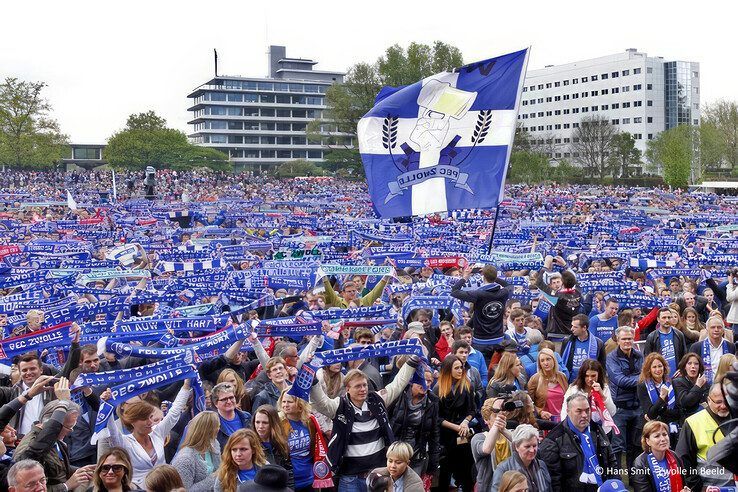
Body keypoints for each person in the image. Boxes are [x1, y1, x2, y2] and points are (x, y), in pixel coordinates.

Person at [309, 355, 420, 491]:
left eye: (365, 385)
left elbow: (397, 385)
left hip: (377, 477)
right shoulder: (339, 406)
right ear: (347, 389)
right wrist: (312, 379)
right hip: (350, 479)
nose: (363, 389)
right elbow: (320, 402)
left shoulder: (377, 400)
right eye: (358, 386)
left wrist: (411, 362)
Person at [106, 379, 192, 488]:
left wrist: (186, 385)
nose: (149, 422)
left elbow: (175, 411)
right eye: (143, 418)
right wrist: (106, 404)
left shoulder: (157, 432)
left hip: (166, 487)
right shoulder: (124, 442)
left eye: (150, 417)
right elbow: (111, 430)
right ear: (132, 421)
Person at [538, 392, 617, 492]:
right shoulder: (554, 440)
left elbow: (611, 461)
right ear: (568, 411)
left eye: (587, 410)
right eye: (579, 411)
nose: (584, 415)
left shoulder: (596, 429)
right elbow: (554, 481)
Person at [14, 397, 96, 492]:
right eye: (68, 427)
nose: (71, 430)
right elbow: (29, 489)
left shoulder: (56, 440)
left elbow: (56, 469)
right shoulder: (29, 447)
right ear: (51, 423)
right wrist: (66, 486)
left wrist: (79, 471)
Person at [675, 383, 733, 490]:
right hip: (709, 487)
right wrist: (699, 488)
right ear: (709, 400)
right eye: (718, 402)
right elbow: (683, 460)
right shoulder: (693, 422)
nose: (723, 406)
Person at [450, 264, 510, 364]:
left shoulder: (478, 294)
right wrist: (493, 277)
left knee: (481, 372)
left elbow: (454, 291)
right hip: (498, 339)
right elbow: (509, 285)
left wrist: (465, 277)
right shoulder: (504, 292)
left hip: (480, 341)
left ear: (483, 276)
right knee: (499, 371)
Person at [387, 367, 439, 480]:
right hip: (395, 454)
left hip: (416, 455)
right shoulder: (398, 395)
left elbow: (434, 433)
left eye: (429, 381)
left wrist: (433, 463)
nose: (425, 384)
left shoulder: (432, 401)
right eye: (422, 380)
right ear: (411, 381)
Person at [434, 355, 476, 492]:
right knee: (445, 473)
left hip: (463, 434)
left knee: (466, 470)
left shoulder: (466, 385)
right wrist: (456, 427)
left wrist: (465, 422)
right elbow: (437, 417)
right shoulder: (437, 389)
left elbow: (472, 409)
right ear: (447, 369)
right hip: (445, 437)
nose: (460, 370)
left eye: (461, 367)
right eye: (456, 368)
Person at [605, 326, 643, 470]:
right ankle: (617, 479)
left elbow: (643, 373)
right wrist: (641, 379)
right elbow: (619, 380)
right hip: (619, 408)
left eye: (630, 338)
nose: (627, 341)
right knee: (617, 447)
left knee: (636, 445)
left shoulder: (639, 355)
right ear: (618, 340)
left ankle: (635, 479)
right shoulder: (611, 357)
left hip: (637, 406)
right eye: (624, 339)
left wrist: (636, 378)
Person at [560, 359, 617, 434]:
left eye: (593, 376)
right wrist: (568, 430)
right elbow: (565, 411)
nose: (590, 379)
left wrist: (602, 396)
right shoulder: (573, 389)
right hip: (578, 431)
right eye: (587, 376)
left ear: (598, 375)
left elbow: (612, 412)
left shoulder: (604, 388)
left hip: (601, 432)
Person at [631, 421, 689, 492]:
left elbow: (684, 484)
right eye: (657, 436)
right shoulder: (640, 464)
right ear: (648, 441)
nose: (663, 439)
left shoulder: (675, 456)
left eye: (665, 434)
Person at [491, 424, 551, 492]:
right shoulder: (503, 469)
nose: (532, 450)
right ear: (516, 446)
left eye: (534, 446)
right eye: (527, 446)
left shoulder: (541, 465)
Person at [277, 391, 318, 492]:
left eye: (289, 402)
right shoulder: (278, 423)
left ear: (300, 404)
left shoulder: (309, 421)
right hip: (288, 481)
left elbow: (314, 448)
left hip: (309, 479)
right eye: (283, 401)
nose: (285, 405)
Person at [170, 411, 221, 491]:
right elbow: (185, 490)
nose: (219, 429)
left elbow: (219, 469)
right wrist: (214, 477)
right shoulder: (184, 459)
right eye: (217, 426)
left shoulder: (214, 444)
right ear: (207, 430)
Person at [471, 397, 513, 491]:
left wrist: (504, 431)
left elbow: (521, 445)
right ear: (486, 420)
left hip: (511, 486)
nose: (500, 418)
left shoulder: (510, 433)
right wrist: (496, 426)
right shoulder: (478, 438)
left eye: (502, 415)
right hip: (490, 487)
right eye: (495, 416)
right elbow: (486, 449)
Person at [251, 405, 294, 490]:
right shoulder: (251, 444)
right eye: (257, 422)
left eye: (265, 423)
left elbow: (289, 472)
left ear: (273, 423)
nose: (260, 426)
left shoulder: (282, 444)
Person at [688, 315, 736, 384]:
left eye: (719, 327)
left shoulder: (731, 346)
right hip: (703, 387)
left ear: (723, 330)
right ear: (707, 329)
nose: (716, 330)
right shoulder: (696, 347)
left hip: (725, 386)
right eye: (713, 327)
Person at [560, 314, 606, 383]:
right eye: (572, 326)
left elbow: (602, 366)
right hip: (570, 380)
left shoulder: (598, 343)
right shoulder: (567, 341)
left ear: (584, 328)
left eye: (575, 327)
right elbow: (562, 362)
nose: (571, 329)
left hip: (589, 381)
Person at [527, 348, 568, 423]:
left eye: (548, 359)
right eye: (542, 361)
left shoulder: (562, 376)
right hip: (545, 421)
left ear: (554, 360)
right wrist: (540, 412)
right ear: (539, 364)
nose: (546, 363)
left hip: (563, 420)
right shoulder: (535, 379)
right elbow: (528, 402)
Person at [644, 307, 688, 377]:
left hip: (677, 376)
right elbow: (647, 359)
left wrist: (682, 370)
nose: (667, 320)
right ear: (658, 319)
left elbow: (684, 355)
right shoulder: (651, 337)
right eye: (664, 318)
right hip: (659, 376)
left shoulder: (679, 334)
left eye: (669, 317)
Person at [211, 382, 252, 449]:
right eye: (224, 399)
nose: (229, 402)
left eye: (231, 397)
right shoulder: (213, 423)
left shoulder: (247, 417)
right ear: (216, 403)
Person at [672, 353, 708, 421]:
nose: (693, 366)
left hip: (704, 419)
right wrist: (697, 386)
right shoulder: (678, 382)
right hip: (687, 420)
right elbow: (686, 402)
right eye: (689, 363)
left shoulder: (705, 382)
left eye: (696, 364)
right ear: (684, 366)